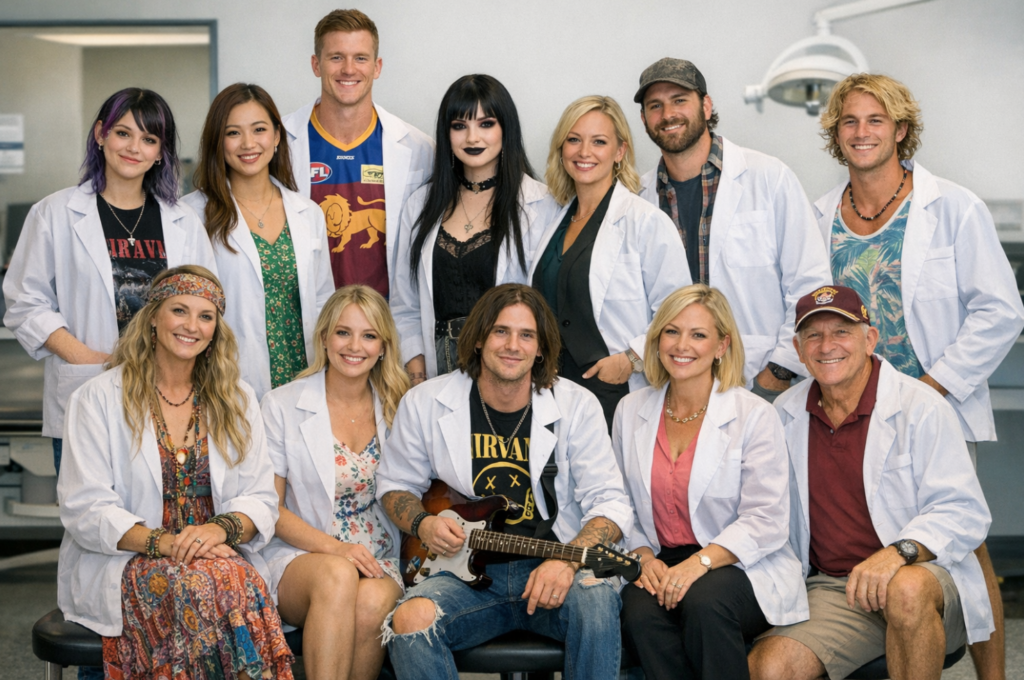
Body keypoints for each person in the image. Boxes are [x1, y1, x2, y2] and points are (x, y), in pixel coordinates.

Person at [815, 74, 1021, 680]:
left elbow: (1001, 309)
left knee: (964, 546)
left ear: (901, 130)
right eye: (850, 122)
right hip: (851, 408)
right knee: (872, 535)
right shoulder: (821, 213)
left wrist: (933, 387)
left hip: (933, 403)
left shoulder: (952, 207)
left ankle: (993, 677)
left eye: (876, 120)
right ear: (836, 135)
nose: (862, 132)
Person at [376, 283, 633, 680]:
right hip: (463, 576)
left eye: (526, 335)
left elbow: (611, 503)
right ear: (478, 339)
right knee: (410, 620)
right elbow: (394, 485)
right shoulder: (426, 403)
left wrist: (566, 561)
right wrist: (423, 523)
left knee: (596, 597)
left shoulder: (577, 405)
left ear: (541, 348)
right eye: (501, 331)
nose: (513, 345)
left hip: (553, 567)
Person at [56, 265, 293, 679]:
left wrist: (217, 531)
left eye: (206, 316)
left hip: (217, 552)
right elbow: (86, 508)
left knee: (224, 577)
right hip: (130, 557)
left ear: (217, 329)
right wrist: (168, 544)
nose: (192, 326)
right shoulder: (97, 398)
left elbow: (260, 497)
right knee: (203, 584)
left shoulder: (236, 398)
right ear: (152, 317)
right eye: (179, 310)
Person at [749, 285, 993, 680]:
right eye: (814, 334)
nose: (827, 345)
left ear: (870, 339)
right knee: (769, 668)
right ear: (798, 349)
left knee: (906, 591)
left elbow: (963, 512)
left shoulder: (922, 407)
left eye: (842, 332)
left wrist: (897, 553)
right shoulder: (783, 414)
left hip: (924, 577)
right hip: (838, 589)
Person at [3, 87, 216, 474]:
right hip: (87, 384)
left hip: (171, 395)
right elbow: (24, 302)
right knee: (91, 520)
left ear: (159, 153)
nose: (134, 147)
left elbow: (206, 306)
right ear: (101, 134)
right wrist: (91, 360)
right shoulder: (55, 213)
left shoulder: (183, 222)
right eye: (123, 133)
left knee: (167, 521)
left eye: (149, 139)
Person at [614, 284, 806, 680]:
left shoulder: (753, 414)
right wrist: (642, 557)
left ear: (722, 346)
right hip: (658, 557)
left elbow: (765, 520)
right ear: (656, 339)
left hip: (737, 563)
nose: (682, 344)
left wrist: (699, 563)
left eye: (698, 334)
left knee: (704, 601)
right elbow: (622, 503)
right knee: (639, 610)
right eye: (671, 331)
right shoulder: (630, 410)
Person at [634, 58, 832, 402]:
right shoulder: (638, 197)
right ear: (644, 119)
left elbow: (810, 282)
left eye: (680, 100)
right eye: (655, 105)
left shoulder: (768, 178)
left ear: (706, 106)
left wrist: (779, 371)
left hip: (760, 381)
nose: (668, 114)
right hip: (673, 382)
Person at [260, 285, 409, 680]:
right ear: (324, 338)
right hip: (301, 554)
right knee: (337, 575)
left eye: (369, 335)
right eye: (343, 332)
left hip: (380, 557)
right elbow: (268, 510)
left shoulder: (401, 405)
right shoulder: (281, 405)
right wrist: (337, 550)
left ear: (383, 346)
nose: (354, 345)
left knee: (372, 601)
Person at [529, 95, 689, 428]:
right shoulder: (552, 220)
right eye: (573, 140)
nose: (584, 152)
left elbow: (679, 313)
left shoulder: (645, 222)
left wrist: (631, 360)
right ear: (561, 149)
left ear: (619, 152)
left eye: (598, 142)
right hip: (552, 389)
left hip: (615, 390)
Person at [392, 74, 558, 383]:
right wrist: (416, 374)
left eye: (486, 124)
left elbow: (547, 305)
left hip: (508, 366)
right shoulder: (421, 206)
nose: (472, 138)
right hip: (436, 367)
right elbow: (405, 303)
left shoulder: (541, 205)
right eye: (459, 126)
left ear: (506, 128)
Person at [183, 83, 333, 400]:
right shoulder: (192, 215)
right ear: (218, 142)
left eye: (259, 129)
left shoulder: (307, 213)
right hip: (225, 383)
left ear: (277, 136)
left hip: (303, 380)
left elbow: (323, 304)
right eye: (233, 133)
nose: (248, 143)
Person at [282, 8, 434, 296]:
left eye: (360, 58)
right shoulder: (279, 142)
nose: (349, 69)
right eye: (336, 57)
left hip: (387, 321)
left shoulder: (419, 149)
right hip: (311, 315)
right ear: (316, 65)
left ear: (377, 67)